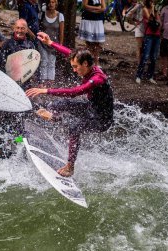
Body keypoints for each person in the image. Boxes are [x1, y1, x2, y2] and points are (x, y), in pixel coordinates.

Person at [25, 32, 114, 177]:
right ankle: (51, 119)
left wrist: (45, 90)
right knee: (59, 104)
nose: (74, 70)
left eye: (75, 67)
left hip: (102, 120)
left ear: (85, 64)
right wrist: (50, 43)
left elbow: (75, 92)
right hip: (91, 108)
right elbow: (70, 53)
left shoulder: (97, 78)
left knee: (74, 127)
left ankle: (70, 167)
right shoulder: (87, 64)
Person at [38, 0, 65, 86]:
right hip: (42, 43)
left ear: (56, 3)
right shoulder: (42, 14)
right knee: (44, 61)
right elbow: (38, 28)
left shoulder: (60, 16)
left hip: (54, 44)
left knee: (52, 63)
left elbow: (61, 33)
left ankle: (50, 83)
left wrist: (60, 46)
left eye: (53, 2)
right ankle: (43, 83)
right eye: (50, 2)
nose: (51, 4)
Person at [135, 0, 161, 84]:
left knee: (154, 57)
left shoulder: (155, 10)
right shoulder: (144, 9)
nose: (152, 1)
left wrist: (156, 19)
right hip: (149, 35)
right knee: (145, 56)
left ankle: (150, 76)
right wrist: (153, 10)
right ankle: (139, 75)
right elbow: (151, 18)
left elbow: (159, 22)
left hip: (157, 36)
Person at [78, 0, 106, 66]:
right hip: (88, 20)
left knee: (97, 43)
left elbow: (103, 8)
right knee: (89, 43)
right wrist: (97, 8)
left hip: (97, 20)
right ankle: (88, 61)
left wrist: (92, 10)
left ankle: (96, 62)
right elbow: (85, 6)